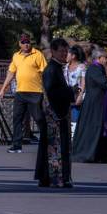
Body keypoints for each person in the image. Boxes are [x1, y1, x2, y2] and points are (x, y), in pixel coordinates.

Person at [0, 32, 47, 154]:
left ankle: (47, 142)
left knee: (39, 118)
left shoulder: (37, 54)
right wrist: (3, 89)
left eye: (27, 42)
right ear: (19, 44)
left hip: (35, 92)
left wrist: (46, 90)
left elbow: (45, 72)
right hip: (20, 92)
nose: (26, 44)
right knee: (17, 118)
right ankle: (16, 145)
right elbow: (11, 73)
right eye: (23, 42)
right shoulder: (16, 56)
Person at [72, 48, 107, 163]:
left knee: (99, 130)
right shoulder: (95, 69)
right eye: (106, 58)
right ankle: (87, 154)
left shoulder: (98, 68)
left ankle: (100, 156)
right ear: (99, 58)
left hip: (97, 103)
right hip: (94, 104)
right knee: (94, 129)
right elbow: (105, 84)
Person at [36, 38, 75, 188]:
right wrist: (69, 91)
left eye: (66, 51)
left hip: (58, 113)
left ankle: (53, 178)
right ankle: (56, 178)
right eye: (61, 51)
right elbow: (51, 91)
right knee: (55, 147)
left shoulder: (57, 68)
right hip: (54, 114)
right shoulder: (51, 69)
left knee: (58, 146)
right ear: (53, 51)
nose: (64, 54)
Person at [65, 45, 88, 137]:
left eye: (67, 54)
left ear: (73, 56)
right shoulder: (65, 66)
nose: (65, 55)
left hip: (77, 95)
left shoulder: (81, 67)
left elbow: (83, 82)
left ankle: (74, 142)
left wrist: (80, 95)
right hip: (66, 96)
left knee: (75, 119)